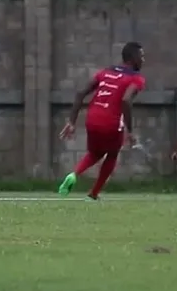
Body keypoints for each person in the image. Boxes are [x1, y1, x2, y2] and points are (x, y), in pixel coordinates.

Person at [57, 41, 146, 200]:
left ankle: (74, 174)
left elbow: (80, 93)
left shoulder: (105, 72)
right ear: (133, 58)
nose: (143, 60)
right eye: (142, 56)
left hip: (92, 118)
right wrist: (130, 131)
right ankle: (94, 193)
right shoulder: (136, 79)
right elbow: (126, 101)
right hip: (111, 122)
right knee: (112, 154)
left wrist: (71, 122)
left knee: (95, 153)